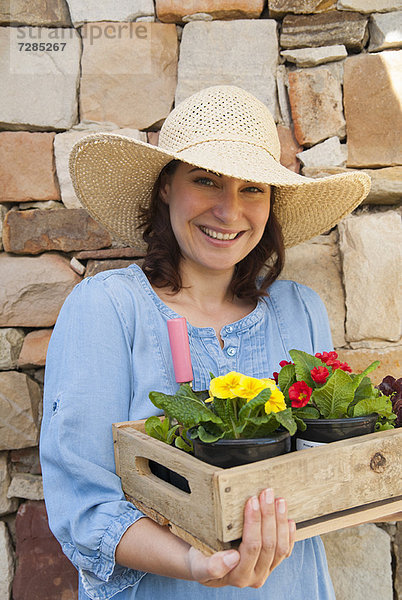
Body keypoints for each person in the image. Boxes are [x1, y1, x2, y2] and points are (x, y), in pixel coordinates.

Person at [40, 85, 371, 600]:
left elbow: (325, 471)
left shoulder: (299, 311)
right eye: (206, 181)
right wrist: (197, 562)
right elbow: (84, 505)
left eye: (252, 189)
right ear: (166, 187)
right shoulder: (107, 309)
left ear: (272, 201)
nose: (228, 210)